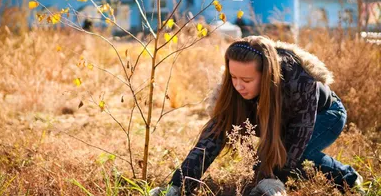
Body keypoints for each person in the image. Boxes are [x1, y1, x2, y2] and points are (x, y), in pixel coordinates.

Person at [151, 36, 362, 196]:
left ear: (267, 74)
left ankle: (349, 178)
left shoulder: (299, 81)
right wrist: (178, 184)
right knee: (262, 168)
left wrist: (274, 178)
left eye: (246, 79)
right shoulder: (235, 87)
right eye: (233, 76)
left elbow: (299, 135)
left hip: (324, 115)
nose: (238, 85)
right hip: (275, 117)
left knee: (299, 158)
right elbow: (210, 139)